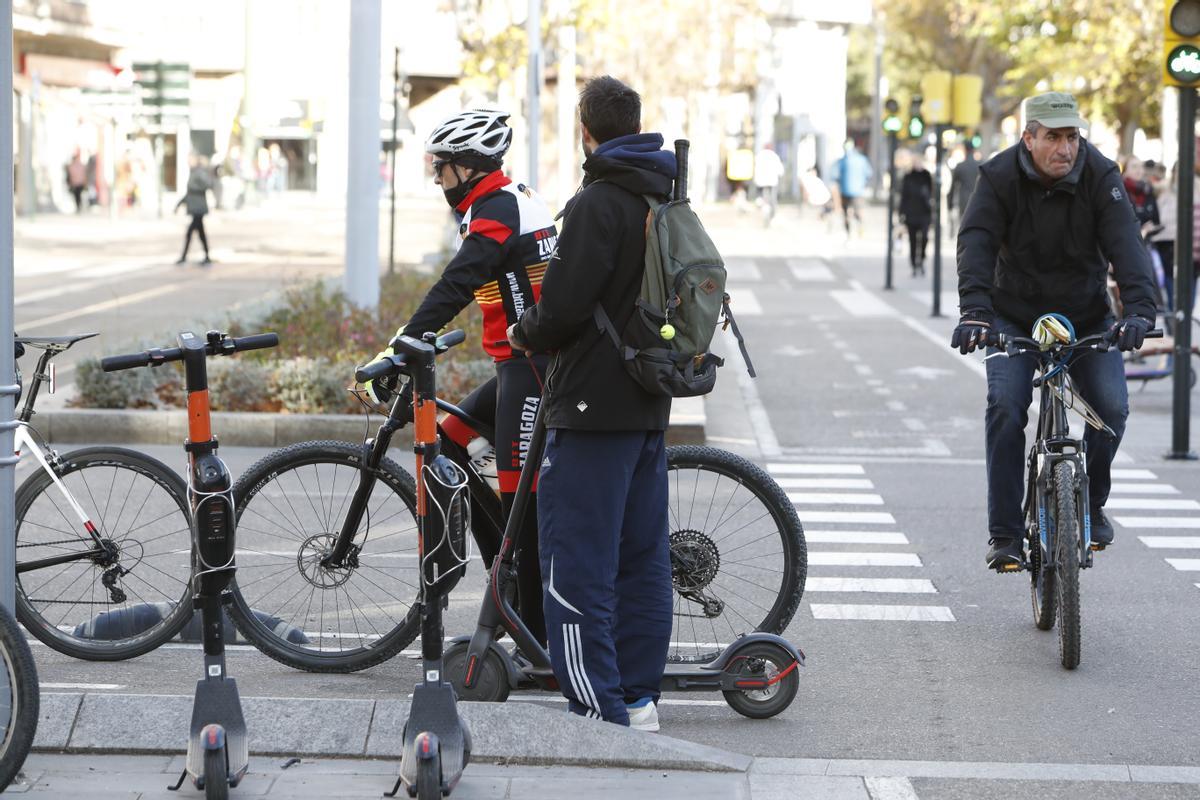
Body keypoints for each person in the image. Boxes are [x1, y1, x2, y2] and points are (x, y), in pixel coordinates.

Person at [508, 75, 673, 732]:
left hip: (589, 409)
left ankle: (596, 710)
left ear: (585, 130)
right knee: (641, 559)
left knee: (577, 564)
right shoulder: (663, 196)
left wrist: (527, 331)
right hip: (647, 405)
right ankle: (637, 700)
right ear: (636, 125)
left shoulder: (597, 203)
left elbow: (563, 308)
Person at [365, 108, 557, 645]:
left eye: (441, 167)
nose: (435, 177)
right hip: (519, 365)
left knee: (527, 505)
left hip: (532, 369)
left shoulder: (494, 208)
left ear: (468, 167)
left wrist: (402, 343)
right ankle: (509, 584)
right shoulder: (509, 196)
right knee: (449, 445)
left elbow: (457, 284)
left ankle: (541, 647)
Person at [952, 91, 1158, 571]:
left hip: (1085, 315)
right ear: (1028, 138)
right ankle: (1004, 535)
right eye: (1053, 138)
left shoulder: (1100, 175)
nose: (1065, 148)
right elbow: (977, 242)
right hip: (1013, 314)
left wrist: (1139, 311)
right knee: (1005, 407)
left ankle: (1091, 503)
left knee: (1111, 407)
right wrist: (975, 313)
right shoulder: (998, 176)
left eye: (1071, 137)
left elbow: (1125, 243)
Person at [898, 154, 933, 275]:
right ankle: (913, 264)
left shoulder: (927, 176)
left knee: (924, 238)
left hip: (924, 213)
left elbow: (933, 193)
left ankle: (921, 260)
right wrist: (901, 213)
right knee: (912, 240)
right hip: (911, 213)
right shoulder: (908, 177)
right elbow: (903, 196)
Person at [175, 159, 214, 265]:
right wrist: (179, 204)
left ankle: (184, 256)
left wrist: (196, 189)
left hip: (198, 208)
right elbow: (189, 193)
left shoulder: (199, 173)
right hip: (195, 208)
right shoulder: (193, 173)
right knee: (200, 233)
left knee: (190, 232)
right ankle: (206, 256)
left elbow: (208, 185)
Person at [832, 139, 872, 237]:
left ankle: (849, 233)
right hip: (858, 191)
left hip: (845, 191)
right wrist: (863, 183)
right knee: (858, 212)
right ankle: (860, 227)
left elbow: (834, 176)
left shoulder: (841, 161)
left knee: (846, 213)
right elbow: (869, 173)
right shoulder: (862, 159)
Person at [948, 142, 981, 231]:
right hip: (979, 200)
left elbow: (953, 187)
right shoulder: (980, 165)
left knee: (965, 228)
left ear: (965, 150)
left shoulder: (960, 166)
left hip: (964, 201)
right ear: (974, 150)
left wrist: (949, 204)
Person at [753, 143, 784, 226]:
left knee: (759, 195)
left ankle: (759, 201)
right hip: (772, 181)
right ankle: (772, 214)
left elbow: (755, 167)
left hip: (760, 181)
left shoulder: (759, 155)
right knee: (773, 199)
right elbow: (780, 170)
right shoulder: (774, 156)